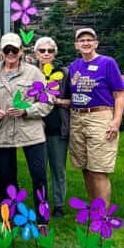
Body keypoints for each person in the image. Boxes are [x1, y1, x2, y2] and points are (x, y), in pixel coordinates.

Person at [0, 33, 51, 223]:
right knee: (6, 178)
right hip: (4, 133)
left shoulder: (34, 73)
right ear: (2, 52)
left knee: (39, 177)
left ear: (21, 51)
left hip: (32, 133)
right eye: (7, 50)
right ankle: (8, 218)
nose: (11, 53)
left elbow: (47, 102)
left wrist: (26, 111)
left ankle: (42, 219)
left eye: (15, 50)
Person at [67, 27, 124, 204]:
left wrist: (116, 121)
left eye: (89, 40)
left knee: (98, 169)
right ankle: (94, 209)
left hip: (100, 117)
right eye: (81, 40)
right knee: (85, 168)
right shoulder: (74, 66)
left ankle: (102, 217)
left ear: (96, 43)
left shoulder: (107, 63)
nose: (86, 43)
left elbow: (119, 95)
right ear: (76, 45)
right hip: (77, 119)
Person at [34, 36, 70, 217]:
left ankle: (58, 205)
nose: (46, 54)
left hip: (57, 129)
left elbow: (73, 101)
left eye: (50, 51)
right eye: (42, 50)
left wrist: (57, 101)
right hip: (35, 130)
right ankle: (42, 203)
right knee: (39, 171)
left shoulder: (64, 74)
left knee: (58, 168)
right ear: (35, 53)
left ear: (55, 54)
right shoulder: (30, 73)